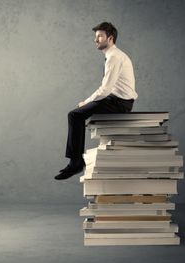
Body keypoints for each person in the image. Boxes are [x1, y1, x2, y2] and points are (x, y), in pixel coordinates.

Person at [54, 22, 138, 180]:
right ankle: (76, 161)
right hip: (115, 100)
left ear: (110, 38)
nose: (96, 40)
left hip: (119, 103)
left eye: (100, 36)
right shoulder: (113, 55)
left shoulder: (114, 57)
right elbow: (107, 90)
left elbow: (105, 89)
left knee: (75, 115)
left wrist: (86, 102)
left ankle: (76, 163)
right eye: (95, 36)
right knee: (76, 115)